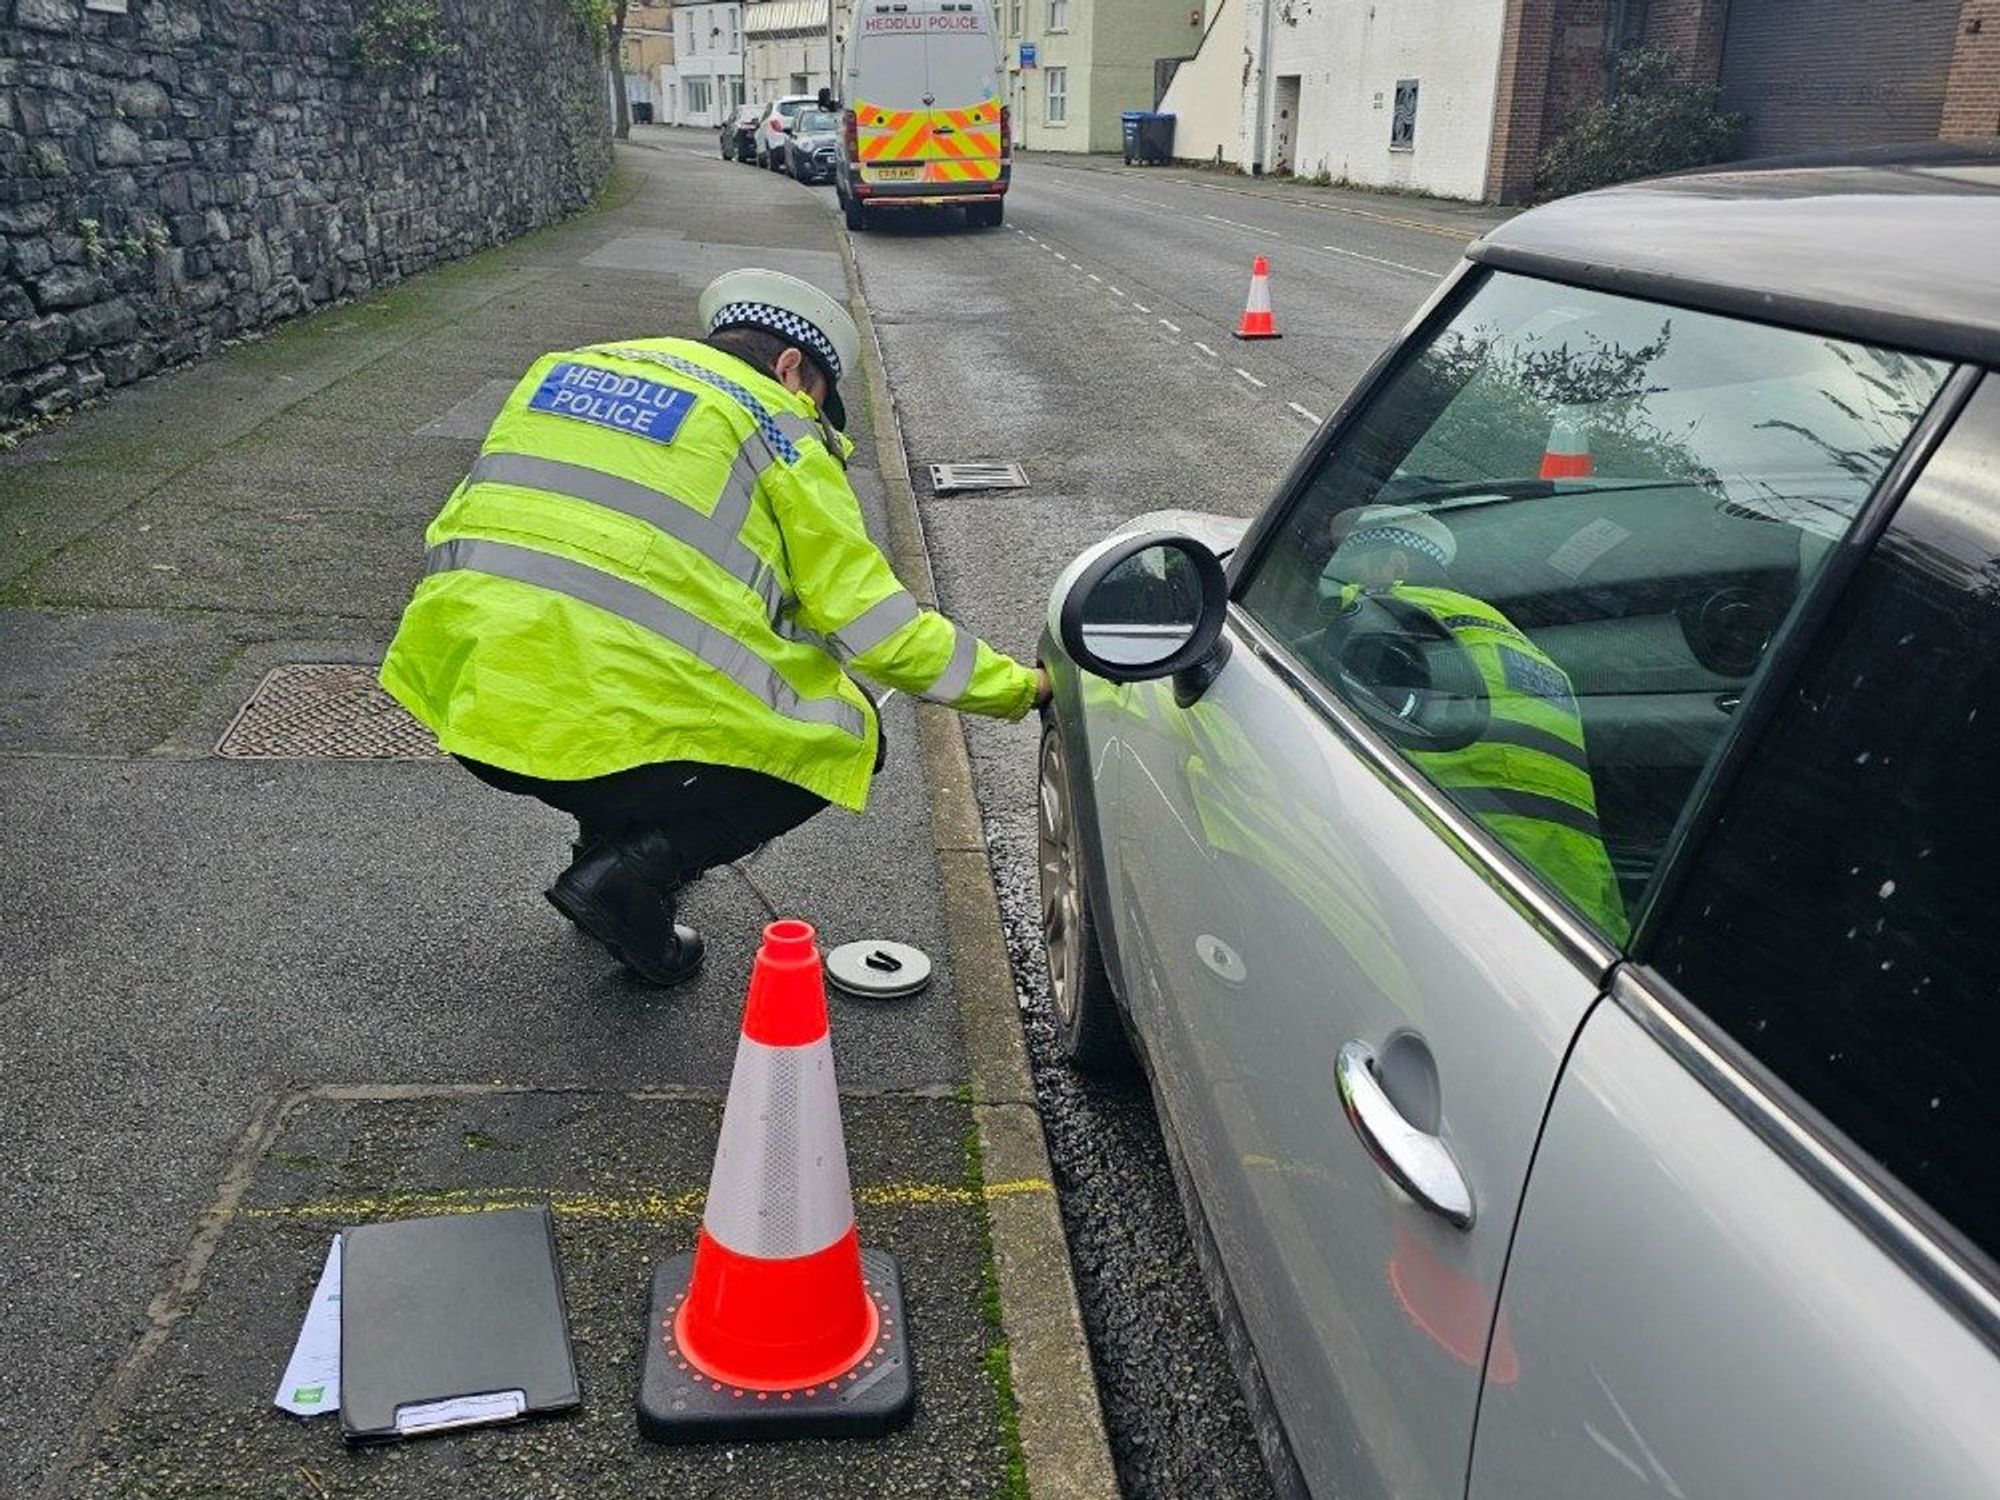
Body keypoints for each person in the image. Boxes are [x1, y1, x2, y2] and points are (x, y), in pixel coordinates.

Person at [380, 269, 1049, 986]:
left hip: (469, 699)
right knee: (844, 733)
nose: (816, 417)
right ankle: (627, 878)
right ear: (790, 367)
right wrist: (1022, 687)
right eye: (819, 398)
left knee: (610, 681)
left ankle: (603, 861)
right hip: (596, 732)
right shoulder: (778, 426)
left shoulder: (563, 371)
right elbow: (879, 630)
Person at [1316, 505, 1627, 938]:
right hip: (1580, 901)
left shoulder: (1391, 616)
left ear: (1394, 566)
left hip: (1468, 874)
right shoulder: (1538, 659)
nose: (1342, 580)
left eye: (1352, 567)